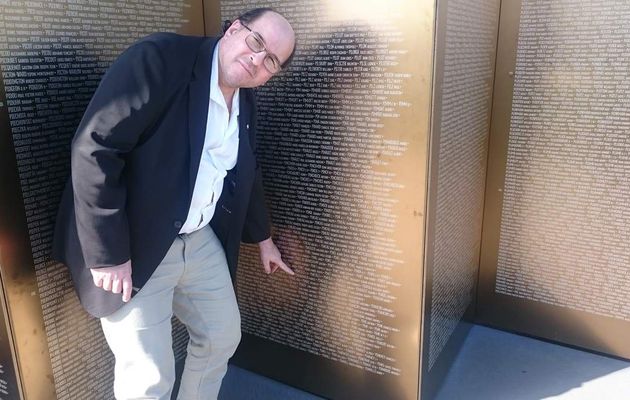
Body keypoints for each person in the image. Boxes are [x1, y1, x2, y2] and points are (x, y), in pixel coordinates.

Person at [53, 8, 296, 400]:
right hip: (134, 243)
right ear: (234, 29)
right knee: (149, 379)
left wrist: (264, 239)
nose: (256, 60)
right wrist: (108, 254)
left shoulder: (246, 102)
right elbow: (95, 148)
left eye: (271, 61)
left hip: (196, 240)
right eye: (256, 42)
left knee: (221, 336)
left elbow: (247, 172)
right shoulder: (159, 59)